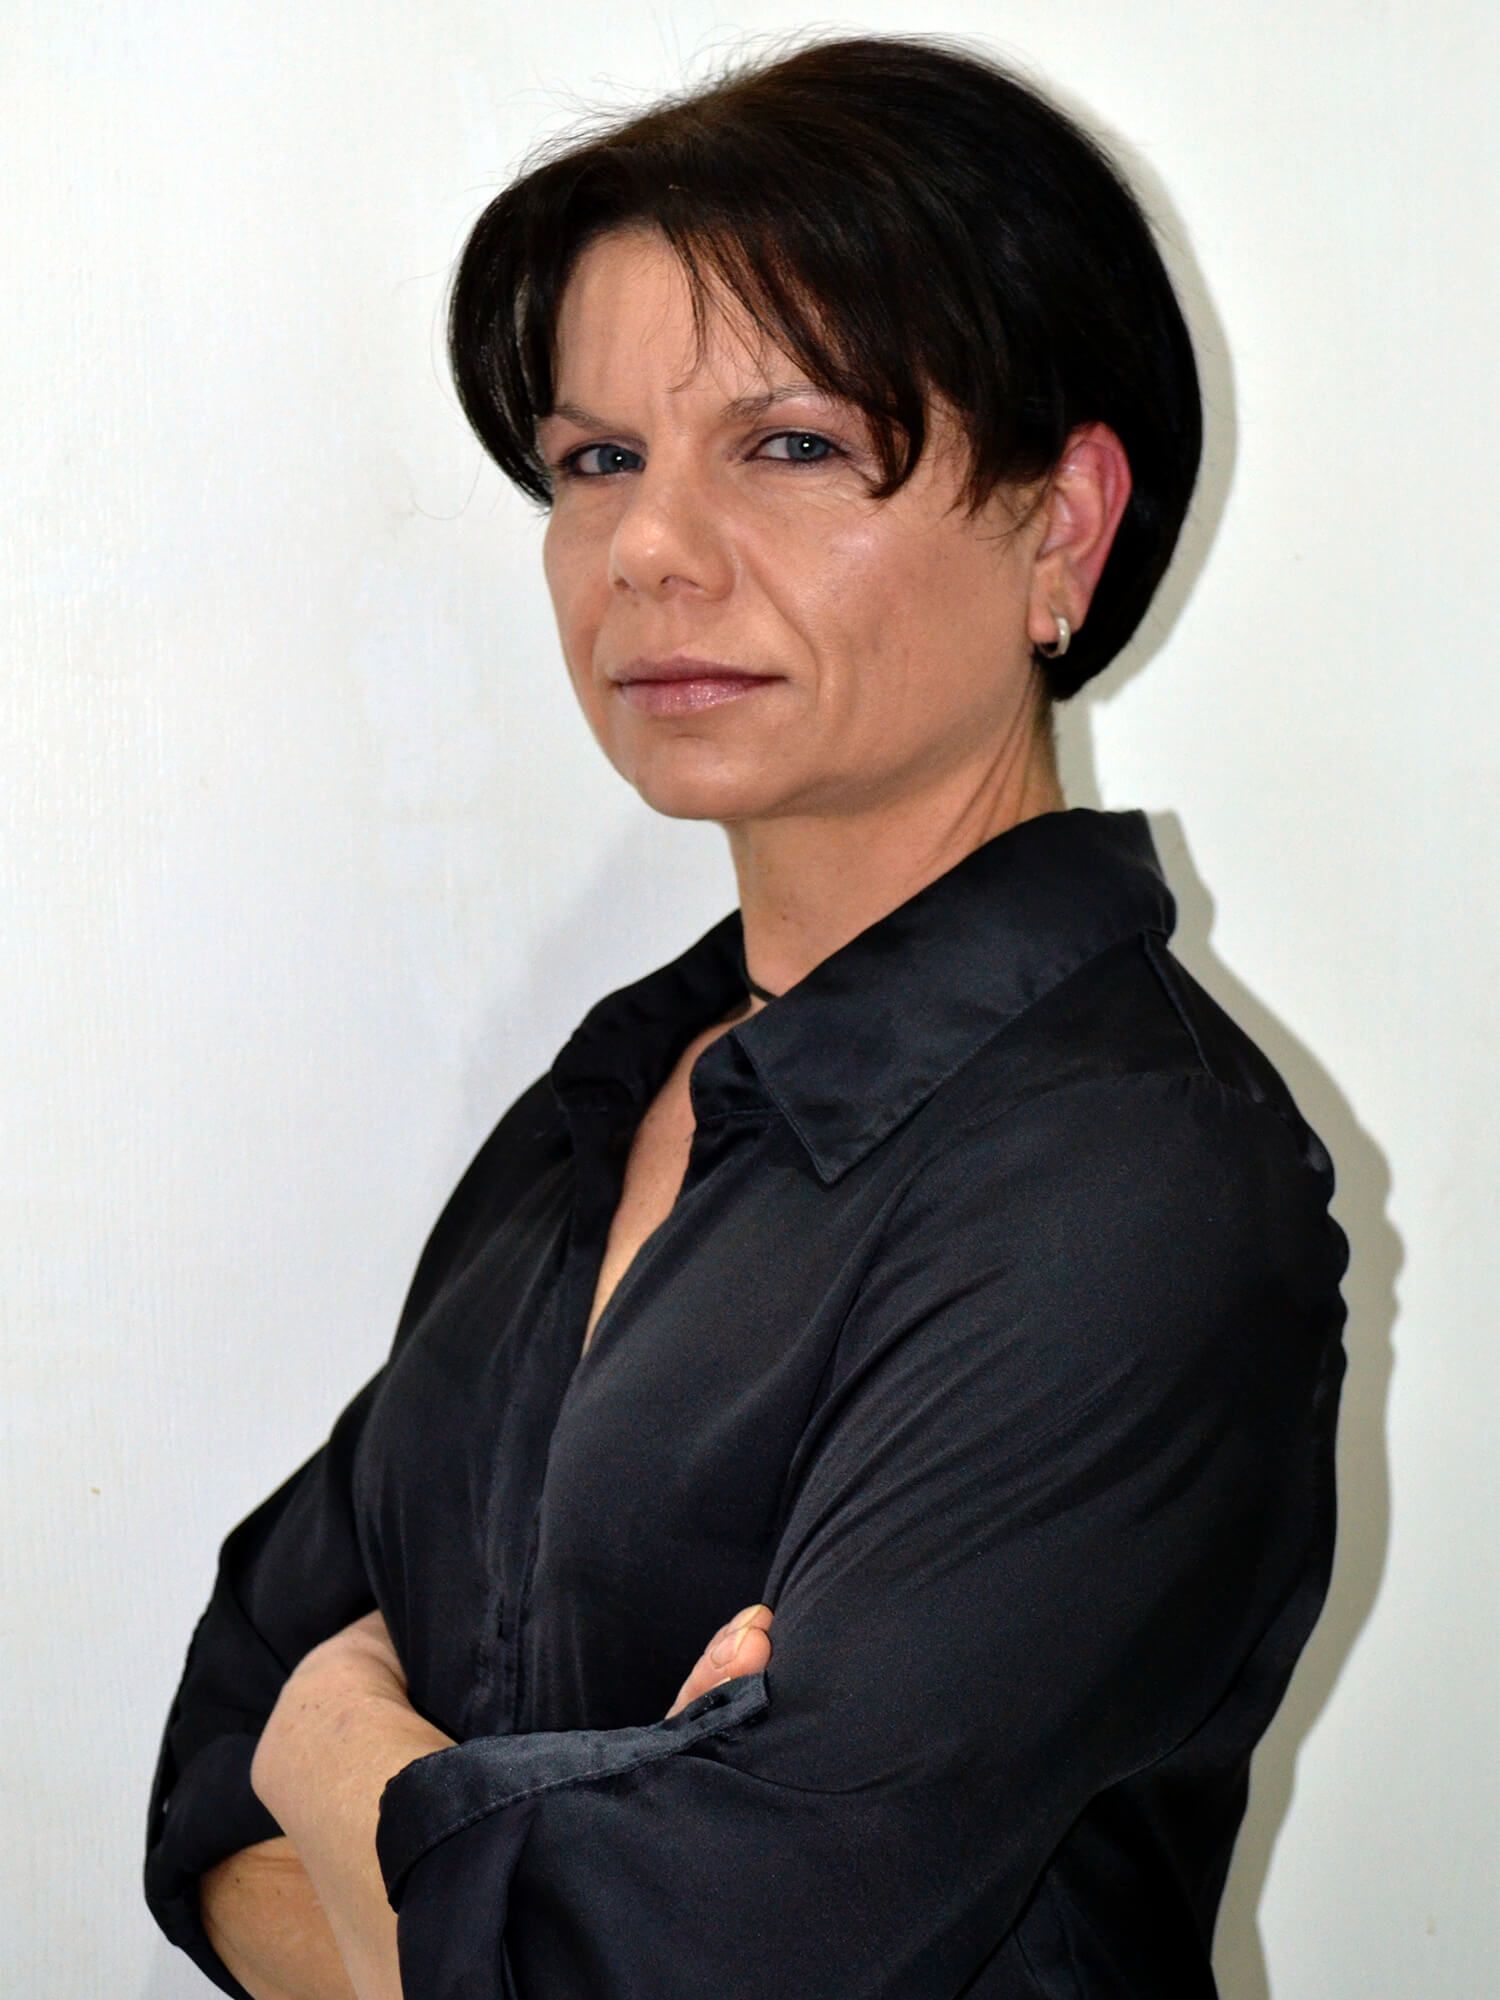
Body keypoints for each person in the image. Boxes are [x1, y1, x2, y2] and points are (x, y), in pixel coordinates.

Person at [142, 29, 1350, 1999]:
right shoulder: (611, 1101)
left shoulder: (1132, 1180)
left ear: (1060, 525)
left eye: (788, 445)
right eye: (595, 460)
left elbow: (649, 1959)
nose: (646, 548)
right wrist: (489, 1865)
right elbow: (205, 1803)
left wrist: (340, 1742)